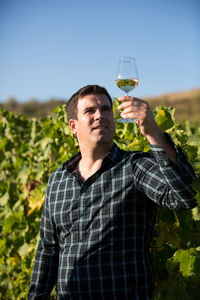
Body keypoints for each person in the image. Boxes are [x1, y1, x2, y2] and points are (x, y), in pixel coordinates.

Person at [28, 85, 196, 299]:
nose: (100, 115)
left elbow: (183, 196)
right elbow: (48, 250)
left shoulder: (135, 167)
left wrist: (153, 131)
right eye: (90, 111)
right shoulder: (58, 180)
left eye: (106, 109)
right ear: (73, 126)